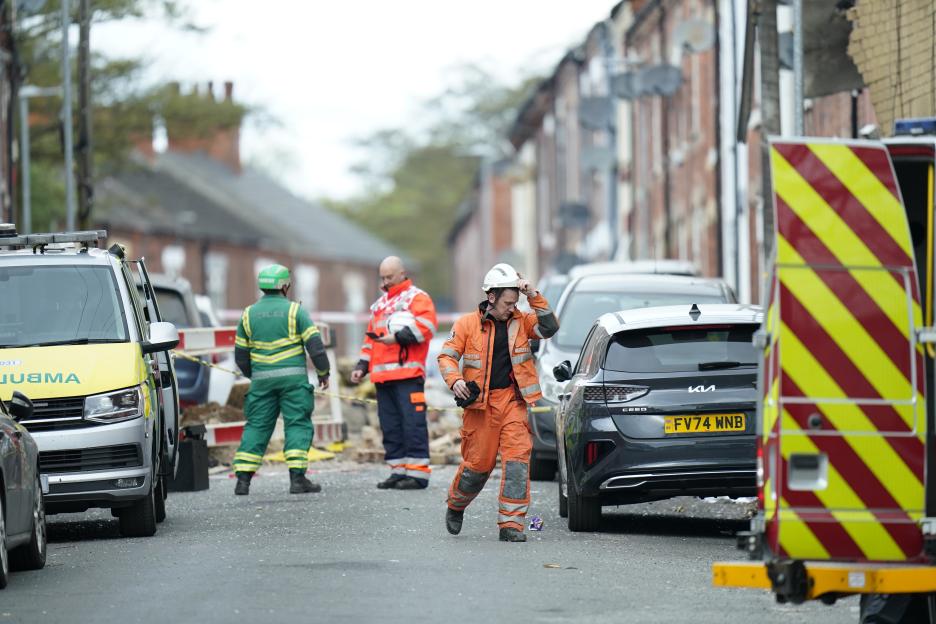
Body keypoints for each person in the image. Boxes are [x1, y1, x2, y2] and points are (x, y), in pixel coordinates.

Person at [438, 263, 559, 542]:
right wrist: (455, 380)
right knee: (477, 467)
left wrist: (533, 294)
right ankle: (456, 505)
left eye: (515, 302)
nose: (511, 308)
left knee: (517, 462)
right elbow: (446, 357)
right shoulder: (467, 324)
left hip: (513, 403)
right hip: (480, 407)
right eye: (507, 302)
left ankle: (511, 525)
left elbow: (550, 327)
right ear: (491, 297)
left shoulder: (522, 321)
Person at [232, 264, 330, 495]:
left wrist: (253, 375)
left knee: (257, 426)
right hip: (293, 383)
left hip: (262, 382)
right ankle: (297, 479)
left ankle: (243, 481)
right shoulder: (296, 311)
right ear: (285, 286)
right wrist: (323, 372)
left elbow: (240, 355)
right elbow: (315, 347)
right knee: (297, 423)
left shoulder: (248, 314)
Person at [350, 256, 438, 490]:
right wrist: (361, 366)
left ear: (402, 273)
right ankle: (398, 471)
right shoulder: (380, 305)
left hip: (408, 376)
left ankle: (418, 475)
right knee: (390, 426)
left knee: (413, 424)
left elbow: (428, 327)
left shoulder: (417, 298)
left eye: (390, 277)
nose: (386, 281)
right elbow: (371, 340)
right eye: (383, 277)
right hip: (383, 378)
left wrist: (398, 337)